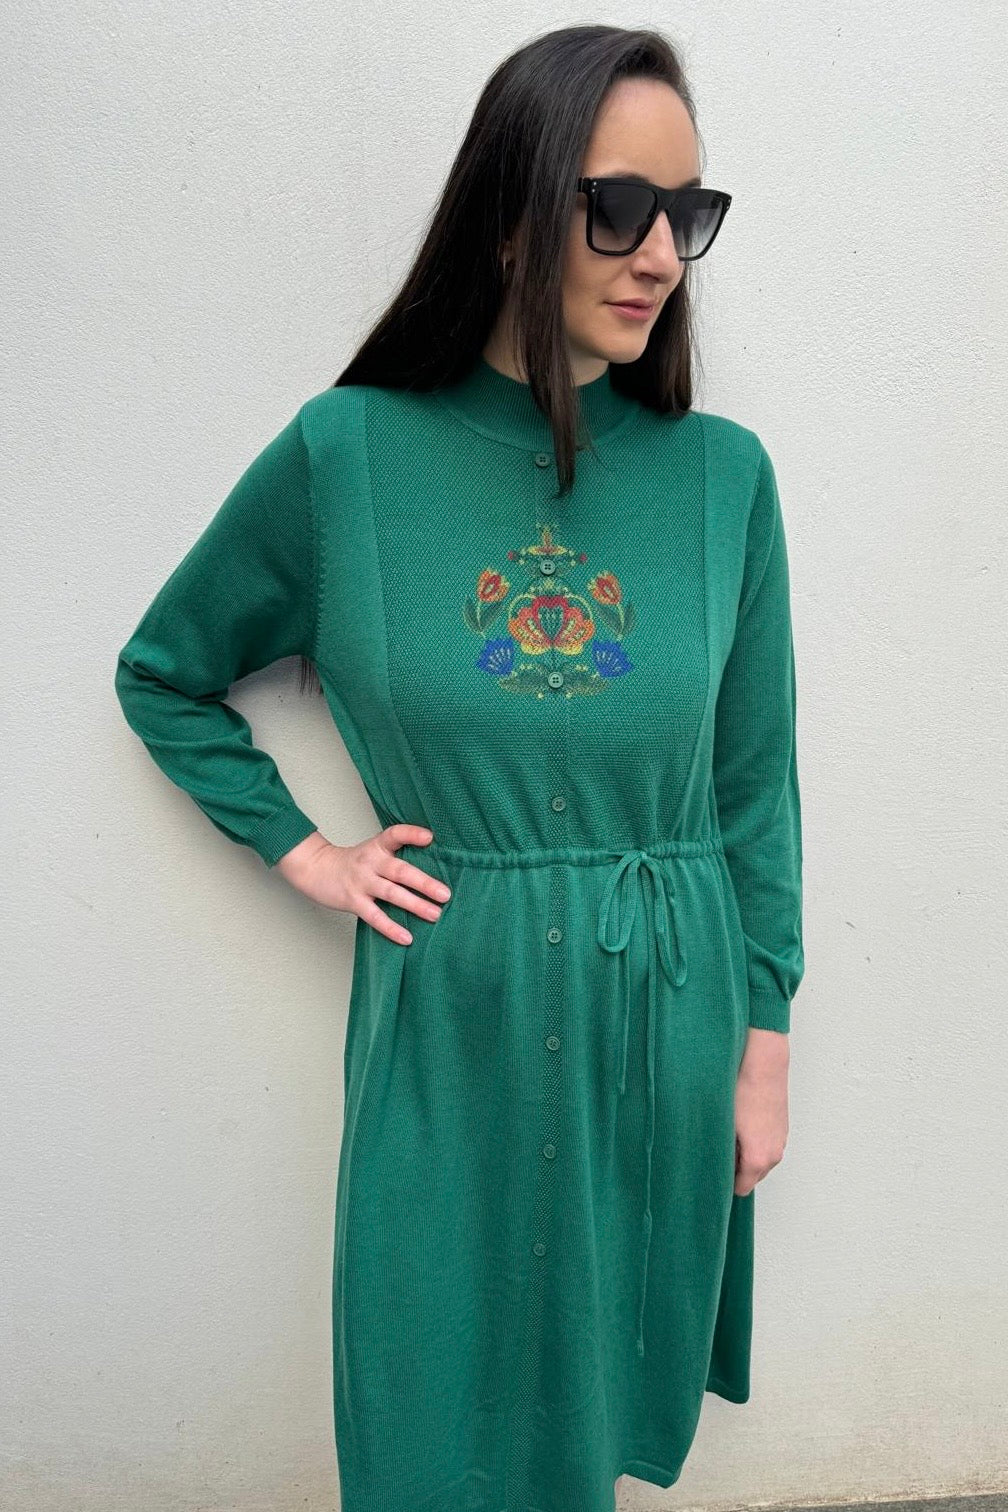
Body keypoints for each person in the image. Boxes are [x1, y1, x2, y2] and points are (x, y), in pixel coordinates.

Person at [114, 22, 804, 1512]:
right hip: (452, 1005)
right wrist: (309, 853)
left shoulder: (724, 480)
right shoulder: (348, 457)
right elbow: (164, 672)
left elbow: (755, 788)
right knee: (427, 1393)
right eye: (619, 207)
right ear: (510, 213)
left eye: (688, 213)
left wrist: (764, 1040)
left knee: (588, 1417)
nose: (662, 254)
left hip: (666, 1001)